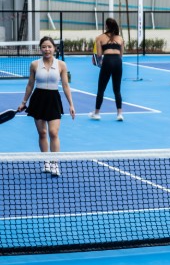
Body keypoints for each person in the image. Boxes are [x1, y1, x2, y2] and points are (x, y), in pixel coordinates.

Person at [17, 37, 76, 177]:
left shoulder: (61, 65)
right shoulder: (34, 65)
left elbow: (66, 85)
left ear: (54, 48)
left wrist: (71, 105)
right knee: (42, 133)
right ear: (41, 48)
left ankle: (55, 164)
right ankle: (46, 162)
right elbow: (30, 85)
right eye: (44, 47)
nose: (47, 49)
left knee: (53, 133)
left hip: (53, 100)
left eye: (49, 46)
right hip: (38, 100)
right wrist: (24, 102)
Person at [89, 17, 124, 121]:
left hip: (108, 61)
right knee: (117, 89)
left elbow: (99, 55)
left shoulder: (100, 37)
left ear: (106, 26)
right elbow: (121, 55)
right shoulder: (120, 38)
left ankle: (97, 113)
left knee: (101, 89)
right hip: (118, 62)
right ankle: (119, 114)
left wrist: (100, 63)